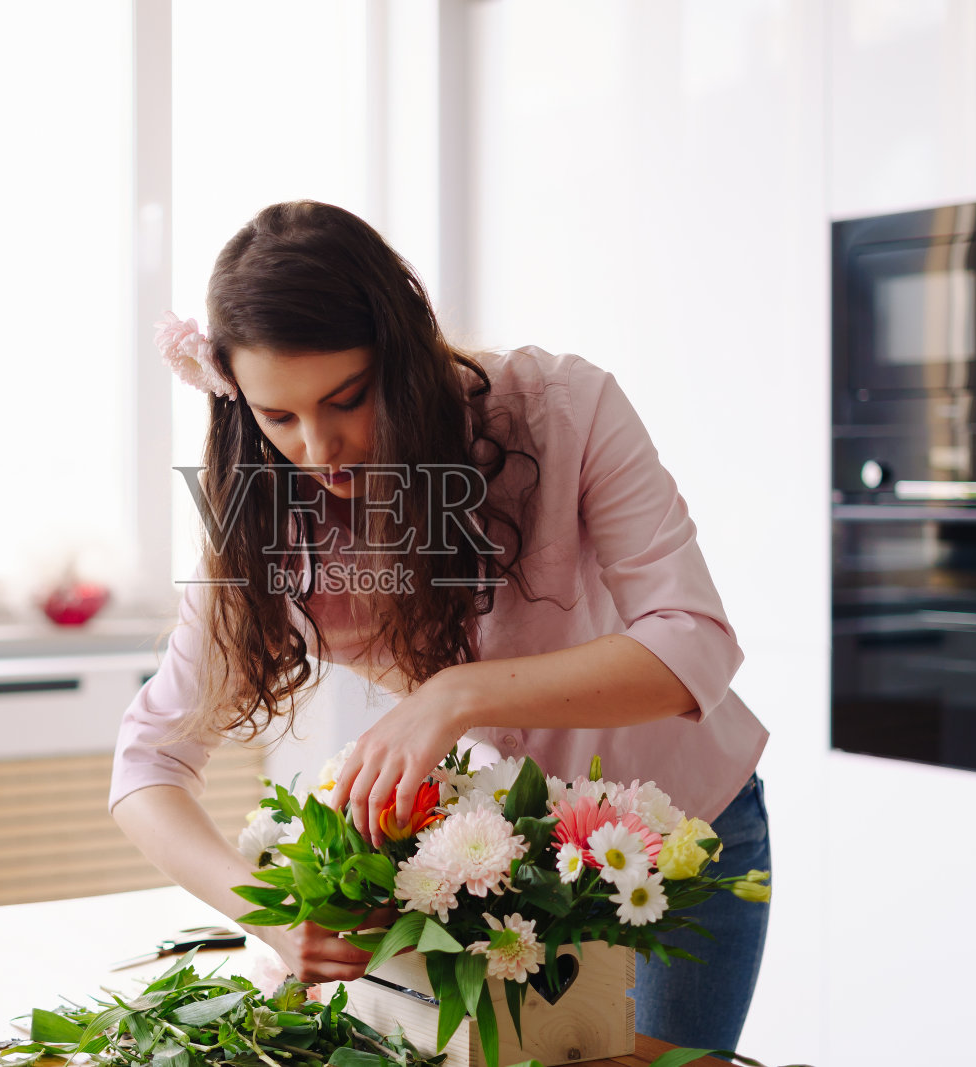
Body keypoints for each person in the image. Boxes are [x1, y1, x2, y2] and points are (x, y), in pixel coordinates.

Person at [109, 200, 771, 1053]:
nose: (321, 447)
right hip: (511, 884)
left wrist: (454, 697)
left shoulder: (564, 407)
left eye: (348, 398)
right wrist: (268, 918)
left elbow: (695, 646)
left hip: (680, 843)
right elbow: (148, 761)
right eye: (279, 418)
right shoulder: (265, 514)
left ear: (407, 351)